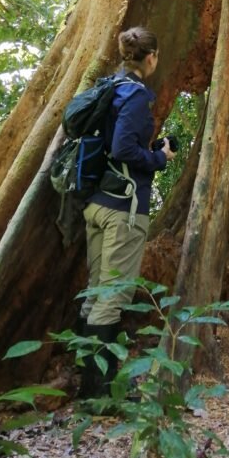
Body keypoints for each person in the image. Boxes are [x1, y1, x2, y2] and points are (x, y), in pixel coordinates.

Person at [78, 27, 176, 396]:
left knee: (94, 292)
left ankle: (89, 380)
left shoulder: (110, 86)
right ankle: (98, 390)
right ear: (150, 57)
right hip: (123, 211)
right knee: (113, 296)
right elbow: (122, 149)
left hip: (98, 204)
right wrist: (159, 157)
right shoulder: (134, 96)